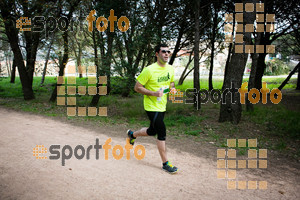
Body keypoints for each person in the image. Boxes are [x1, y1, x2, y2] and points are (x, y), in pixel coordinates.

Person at [127, 43, 178, 174]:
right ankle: (166, 163)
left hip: (162, 105)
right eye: (163, 51)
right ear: (157, 54)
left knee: (151, 131)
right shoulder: (149, 70)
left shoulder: (171, 69)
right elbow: (137, 87)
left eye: (168, 52)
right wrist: (153, 93)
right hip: (151, 106)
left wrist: (172, 88)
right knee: (161, 131)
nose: (166, 54)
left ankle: (132, 135)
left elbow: (171, 82)